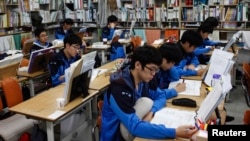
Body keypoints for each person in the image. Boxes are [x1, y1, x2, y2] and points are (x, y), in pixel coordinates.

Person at [101, 45, 198, 141]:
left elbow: (160, 96)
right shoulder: (119, 88)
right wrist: (174, 132)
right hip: (117, 136)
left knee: (148, 102)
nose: (154, 74)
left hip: (131, 128)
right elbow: (134, 126)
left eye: (156, 70)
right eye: (151, 69)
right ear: (138, 65)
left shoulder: (143, 81)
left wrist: (151, 112)